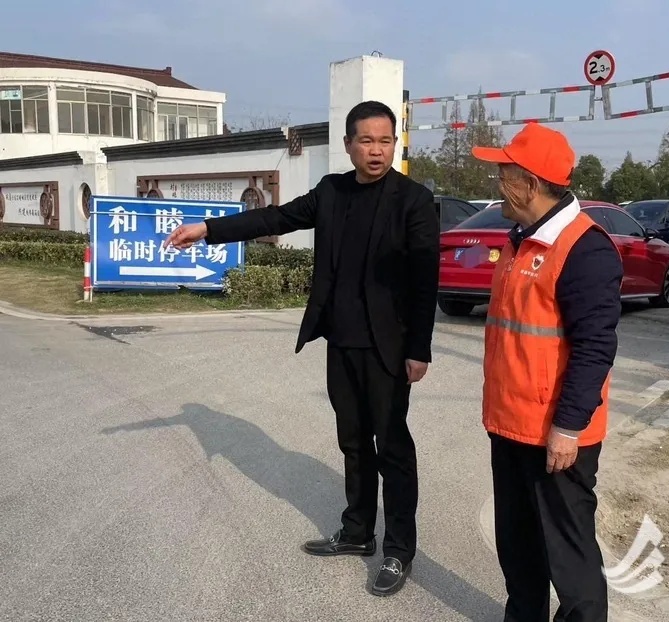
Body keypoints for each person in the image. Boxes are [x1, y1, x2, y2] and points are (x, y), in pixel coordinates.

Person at [163, 100, 440, 597]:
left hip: (389, 347)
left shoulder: (414, 200)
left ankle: (399, 549)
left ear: (394, 144)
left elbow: (425, 280)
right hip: (341, 341)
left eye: (385, 141)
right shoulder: (332, 191)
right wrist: (208, 230)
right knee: (353, 443)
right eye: (366, 140)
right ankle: (357, 531)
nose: (377, 150)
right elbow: (276, 217)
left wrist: (419, 348)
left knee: (393, 448)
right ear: (348, 144)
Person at [471, 123, 623, 622]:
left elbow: (595, 347)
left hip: (556, 436)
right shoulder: (520, 241)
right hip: (510, 426)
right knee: (518, 550)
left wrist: (569, 427)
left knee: (570, 560)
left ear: (530, 184)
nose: (498, 185)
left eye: (504, 175)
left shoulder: (584, 249)